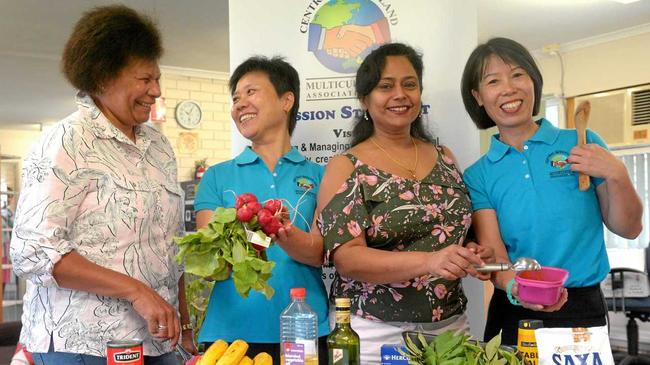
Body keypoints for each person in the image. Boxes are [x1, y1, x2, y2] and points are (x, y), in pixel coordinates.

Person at [10, 5, 197, 364]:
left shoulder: (159, 146)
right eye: (144, 79)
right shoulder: (66, 142)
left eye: (157, 78)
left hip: (158, 343)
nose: (156, 90)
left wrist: (185, 325)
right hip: (83, 344)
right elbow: (32, 251)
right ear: (103, 78)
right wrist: (136, 291)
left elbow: (170, 253)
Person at [316, 42, 492, 364]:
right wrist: (430, 261)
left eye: (409, 84)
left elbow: (453, 234)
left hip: (450, 328)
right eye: (386, 86)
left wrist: (469, 251)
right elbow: (347, 259)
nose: (400, 94)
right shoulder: (346, 166)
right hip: (373, 333)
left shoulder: (445, 157)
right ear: (365, 99)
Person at [460, 37, 643, 345]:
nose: (508, 88)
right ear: (478, 96)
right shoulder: (479, 174)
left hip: (581, 307)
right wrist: (519, 290)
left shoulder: (582, 143)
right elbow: (498, 259)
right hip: (514, 307)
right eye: (493, 81)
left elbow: (629, 228)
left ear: (534, 81)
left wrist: (617, 172)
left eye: (518, 74)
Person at [194, 56, 330, 363]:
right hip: (230, 336)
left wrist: (283, 233)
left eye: (251, 92)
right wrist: (254, 233)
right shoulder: (217, 176)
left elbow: (321, 253)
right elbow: (211, 265)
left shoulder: (320, 175)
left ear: (286, 100)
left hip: (305, 329)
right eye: (235, 98)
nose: (240, 104)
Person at [1, 187, 15, 290]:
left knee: (4, 277)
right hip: (2, 247)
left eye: (10, 197)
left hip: (5, 247)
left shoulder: (8, 212)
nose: (9, 199)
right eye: (7, 196)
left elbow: (14, 226)